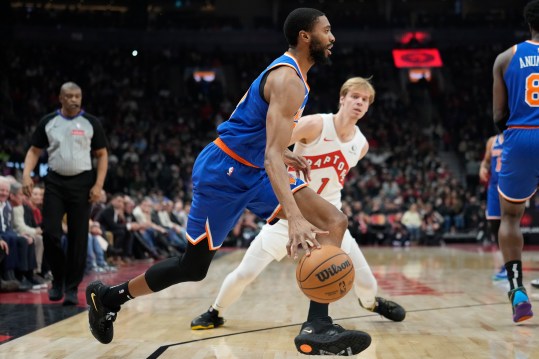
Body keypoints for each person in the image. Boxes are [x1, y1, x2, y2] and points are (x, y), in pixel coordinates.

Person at [86, 8, 373, 356]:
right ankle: (109, 296)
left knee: (334, 220)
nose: (332, 38)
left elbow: (263, 139)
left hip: (254, 169)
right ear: (305, 36)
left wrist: (284, 153)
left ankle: (317, 325)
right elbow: (268, 154)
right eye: (327, 31)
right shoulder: (289, 80)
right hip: (225, 172)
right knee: (192, 268)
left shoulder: (296, 78)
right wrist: (295, 216)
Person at [190, 77, 405, 332]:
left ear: (368, 106)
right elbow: (271, 142)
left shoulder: (362, 145)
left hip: (329, 221)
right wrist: (281, 155)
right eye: (355, 96)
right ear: (342, 99)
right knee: (246, 272)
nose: (359, 102)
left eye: (365, 99)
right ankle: (215, 312)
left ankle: (370, 304)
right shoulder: (316, 124)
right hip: (290, 214)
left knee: (367, 281)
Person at [22, 82, 109, 306]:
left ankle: (71, 288)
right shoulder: (48, 122)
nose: (74, 100)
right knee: (50, 232)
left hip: (83, 183)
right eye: (69, 96)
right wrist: (25, 176)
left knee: (78, 238)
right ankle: (58, 278)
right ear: (60, 98)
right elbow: (34, 150)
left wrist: (98, 185)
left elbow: (102, 154)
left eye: (77, 96)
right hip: (55, 182)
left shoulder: (91, 123)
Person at [492, 0, 539, 323]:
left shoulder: (506, 58)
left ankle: (517, 289)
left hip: (521, 135)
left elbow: (499, 115)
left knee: (510, 216)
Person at [478, 134, 506, 281]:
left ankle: (510, 266)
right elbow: (486, 162)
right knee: (495, 226)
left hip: (511, 187)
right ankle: (507, 264)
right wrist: (483, 168)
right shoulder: (492, 141)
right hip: (494, 188)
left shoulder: (516, 137)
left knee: (508, 226)